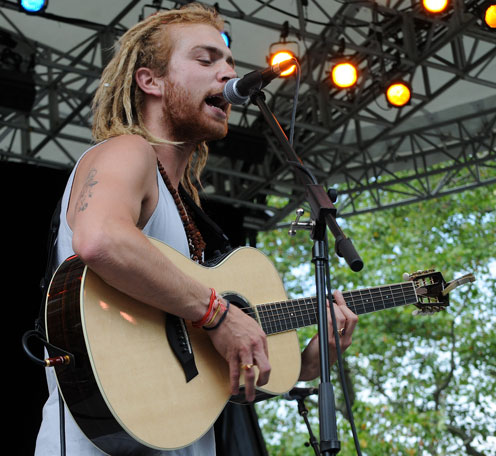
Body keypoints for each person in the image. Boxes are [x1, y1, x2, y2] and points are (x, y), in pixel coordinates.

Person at [34, 3, 358, 455]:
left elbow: (194, 366)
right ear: (150, 80)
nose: (226, 72)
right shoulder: (127, 152)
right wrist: (219, 315)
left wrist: (304, 364)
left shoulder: (184, 204)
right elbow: (100, 238)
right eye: (205, 60)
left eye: (228, 61)